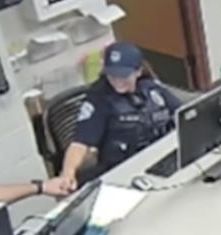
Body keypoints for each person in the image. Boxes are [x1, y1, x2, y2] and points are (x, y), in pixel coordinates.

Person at [60, 42, 182, 186]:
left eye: (123, 75)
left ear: (138, 71)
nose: (117, 81)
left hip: (160, 159)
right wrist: (68, 173)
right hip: (123, 171)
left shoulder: (151, 88)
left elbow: (183, 112)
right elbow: (80, 143)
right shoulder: (99, 99)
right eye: (112, 75)